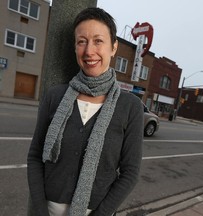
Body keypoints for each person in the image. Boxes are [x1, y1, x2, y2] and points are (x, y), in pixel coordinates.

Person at [27, 7, 143, 216]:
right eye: (82, 41)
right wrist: (39, 211)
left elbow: (130, 173)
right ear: (75, 47)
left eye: (98, 41)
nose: (89, 51)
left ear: (113, 47)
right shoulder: (55, 96)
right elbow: (35, 157)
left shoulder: (130, 107)